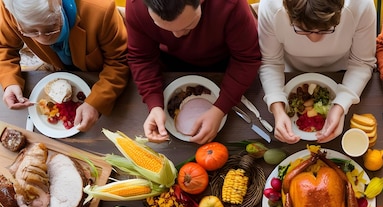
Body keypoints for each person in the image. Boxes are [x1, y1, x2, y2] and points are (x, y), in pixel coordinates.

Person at [125, 0, 261, 145]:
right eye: (163, 27)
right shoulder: (135, 5)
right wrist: (154, 104)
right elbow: (142, 57)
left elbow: (247, 59)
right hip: (170, 64)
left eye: (188, 26)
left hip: (226, 64)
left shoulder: (231, 5)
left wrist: (220, 109)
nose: (177, 36)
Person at [257, 0, 376, 144]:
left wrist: (341, 105)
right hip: (289, 74)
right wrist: (277, 108)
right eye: (302, 29)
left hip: (344, 74)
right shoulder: (270, 6)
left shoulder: (361, 5)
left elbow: (361, 62)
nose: (315, 39)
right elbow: (270, 62)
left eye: (326, 29)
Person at [0, 0, 128, 131]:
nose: (43, 40)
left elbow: (119, 61)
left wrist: (97, 102)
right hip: (56, 67)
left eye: (50, 29)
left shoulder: (100, 9)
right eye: (31, 31)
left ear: (59, 3)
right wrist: (10, 82)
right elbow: (4, 46)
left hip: (102, 73)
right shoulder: (10, 7)